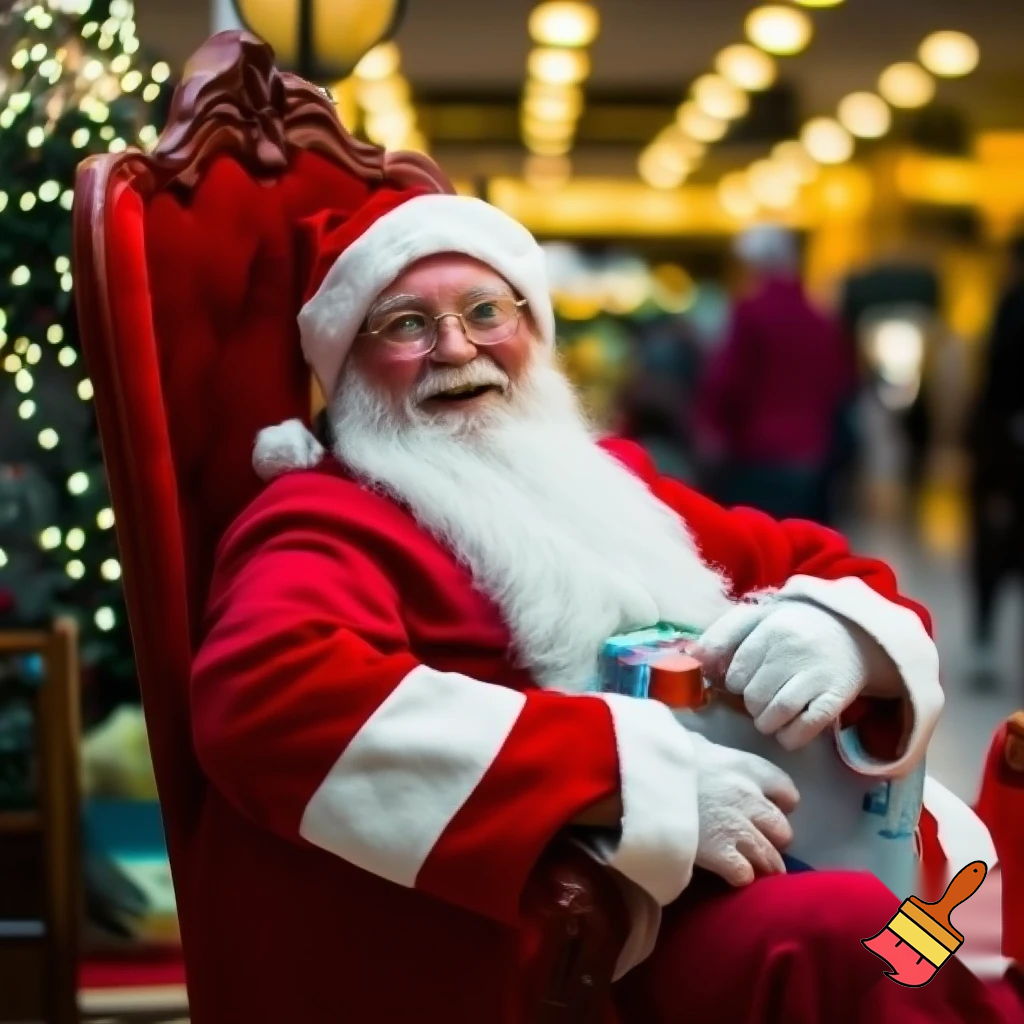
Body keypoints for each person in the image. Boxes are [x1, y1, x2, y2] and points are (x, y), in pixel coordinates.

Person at [188, 187, 1011, 1023]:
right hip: (560, 938)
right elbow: (265, 698)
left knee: (927, 934)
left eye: (485, 311)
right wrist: (629, 780)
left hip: (738, 869)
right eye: (405, 324)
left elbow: (826, 562)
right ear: (348, 368)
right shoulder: (326, 517)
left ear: (532, 332)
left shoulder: (603, 475)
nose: (455, 346)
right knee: (857, 936)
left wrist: (837, 637)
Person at [695, 224, 856, 523]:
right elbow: (839, 382)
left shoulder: (750, 313)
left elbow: (728, 381)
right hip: (810, 453)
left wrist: (712, 428)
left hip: (757, 452)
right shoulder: (820, 319)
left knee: (759, 545)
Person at [967, 236, 1024, 681]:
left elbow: (994, 389)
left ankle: (986, 640)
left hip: (1005, 461)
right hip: (1005, 455)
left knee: (994, 553)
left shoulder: (1011, 307)